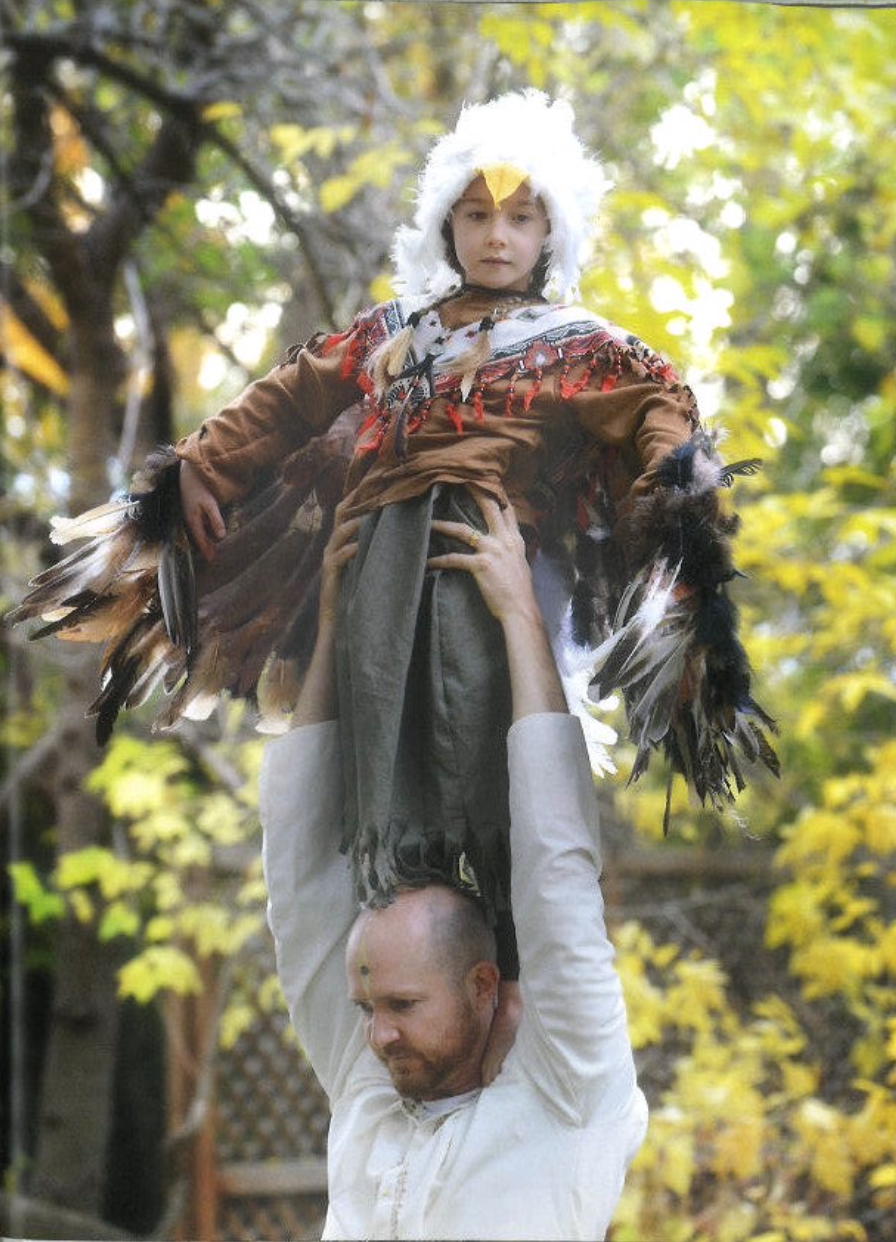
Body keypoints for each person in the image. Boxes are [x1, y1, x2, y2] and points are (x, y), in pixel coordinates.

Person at [12, 89, 775, 978]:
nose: (498, 235)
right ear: (446, 223)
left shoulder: (580, 346)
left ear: (551, 234)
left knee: (480, 726)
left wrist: (676, 496)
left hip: (478, 559)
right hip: (372, 559)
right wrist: (196, 470)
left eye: (522, 218)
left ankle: (494, 929)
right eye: (478, 214)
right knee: (374, 723)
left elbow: (660, 403)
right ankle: (401, 921)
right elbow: (291, 395)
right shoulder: (393, 335)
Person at [260, 491, 647, 1240]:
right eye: (370, 1009)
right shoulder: (369, 1081)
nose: (376, 1035)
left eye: (402, 1005)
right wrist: (333, 628)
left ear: (481, 986)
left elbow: (555, 870)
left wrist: (521, 617)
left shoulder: (571, 1089)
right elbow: (298, 874)